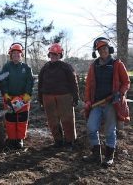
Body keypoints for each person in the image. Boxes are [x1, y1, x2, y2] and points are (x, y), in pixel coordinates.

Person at [83, 37, 130, 167]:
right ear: (97, 51)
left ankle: (109, 156)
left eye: (104, 48)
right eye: (100, 49)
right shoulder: (94, 66)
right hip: (96, 104)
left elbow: (126, 82)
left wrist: (120, 93)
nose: (102, 51)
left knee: (110, 131)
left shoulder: (117, 64)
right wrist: (87, 101)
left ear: (109, 49)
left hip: (111, 103)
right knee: (91, 128)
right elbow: (88, 86)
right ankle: (96, 155)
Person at [38, 43, 79, 151]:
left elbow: (73, 83)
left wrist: (75, 97)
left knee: (67, 120)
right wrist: (40, 99)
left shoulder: (66, 67)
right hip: (48, 97)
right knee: (52, 121)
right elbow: (40, 84)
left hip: (64, 97)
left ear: (60, 55)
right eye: (52, 54)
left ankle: (70, 141)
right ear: (49, 54)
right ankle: (58, 141)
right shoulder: (45, 68)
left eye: (56, 54)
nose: (54, 56)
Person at [0, 43, 34, 149]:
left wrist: (27, 94)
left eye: (17, 54)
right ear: (11, 55)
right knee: (10, 119)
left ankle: (20, 139)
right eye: (13, 54)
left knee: (22, 119)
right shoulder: (6, 67)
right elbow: (3, 81)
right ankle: (12, 138)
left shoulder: (26, 67)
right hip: (10, 97)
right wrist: (5, 94)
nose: (15, 56)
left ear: (21, 55)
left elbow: (30, 82)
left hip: (23, 97)